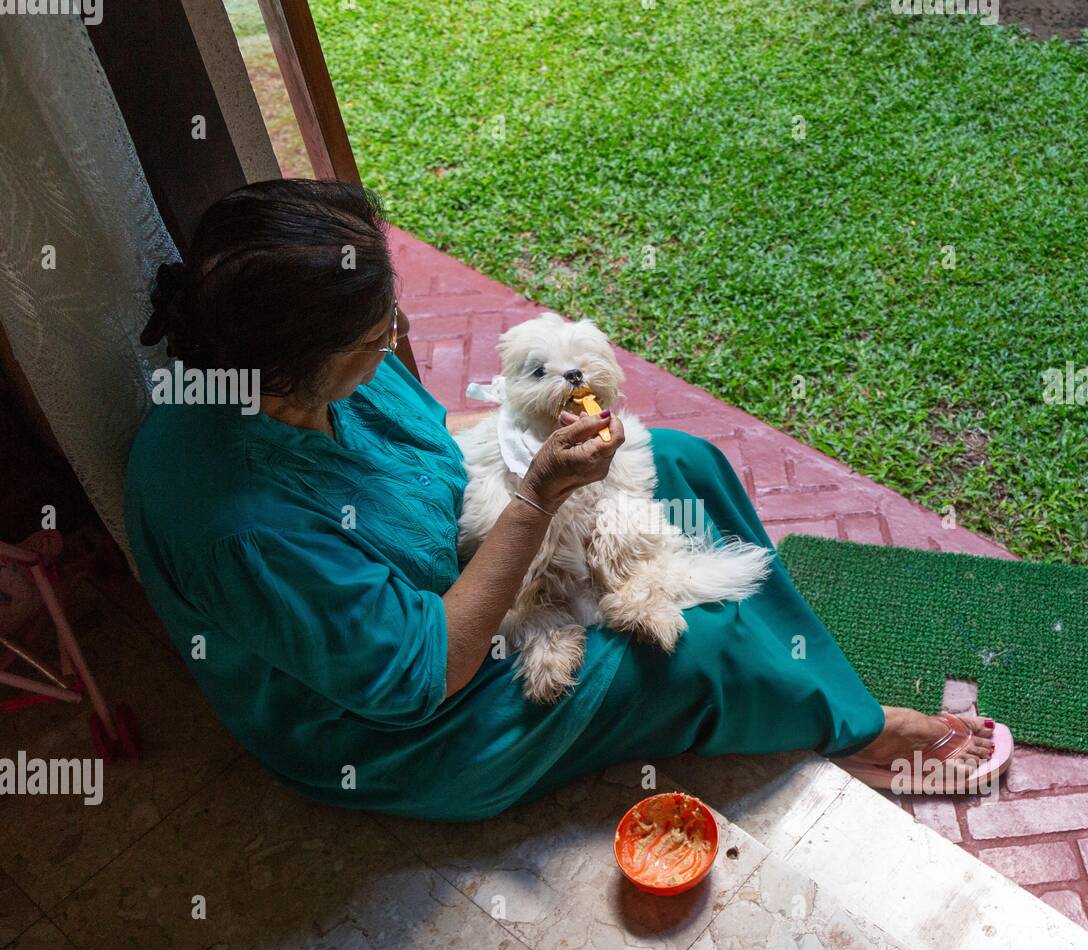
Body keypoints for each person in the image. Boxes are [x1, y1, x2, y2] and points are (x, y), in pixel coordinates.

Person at [125, 178, 1000, 823]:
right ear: (296, 361)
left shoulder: (298, 375)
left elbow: (431, 428)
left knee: (681, 461)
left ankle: (814, 680)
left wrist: (529, 430)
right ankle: (866, 730)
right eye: (374, 335)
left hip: (467, 548)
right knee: (685, 651)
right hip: (416, 719)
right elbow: (424, 672)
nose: (393, 340)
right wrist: (537, 499)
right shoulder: (241, 525)